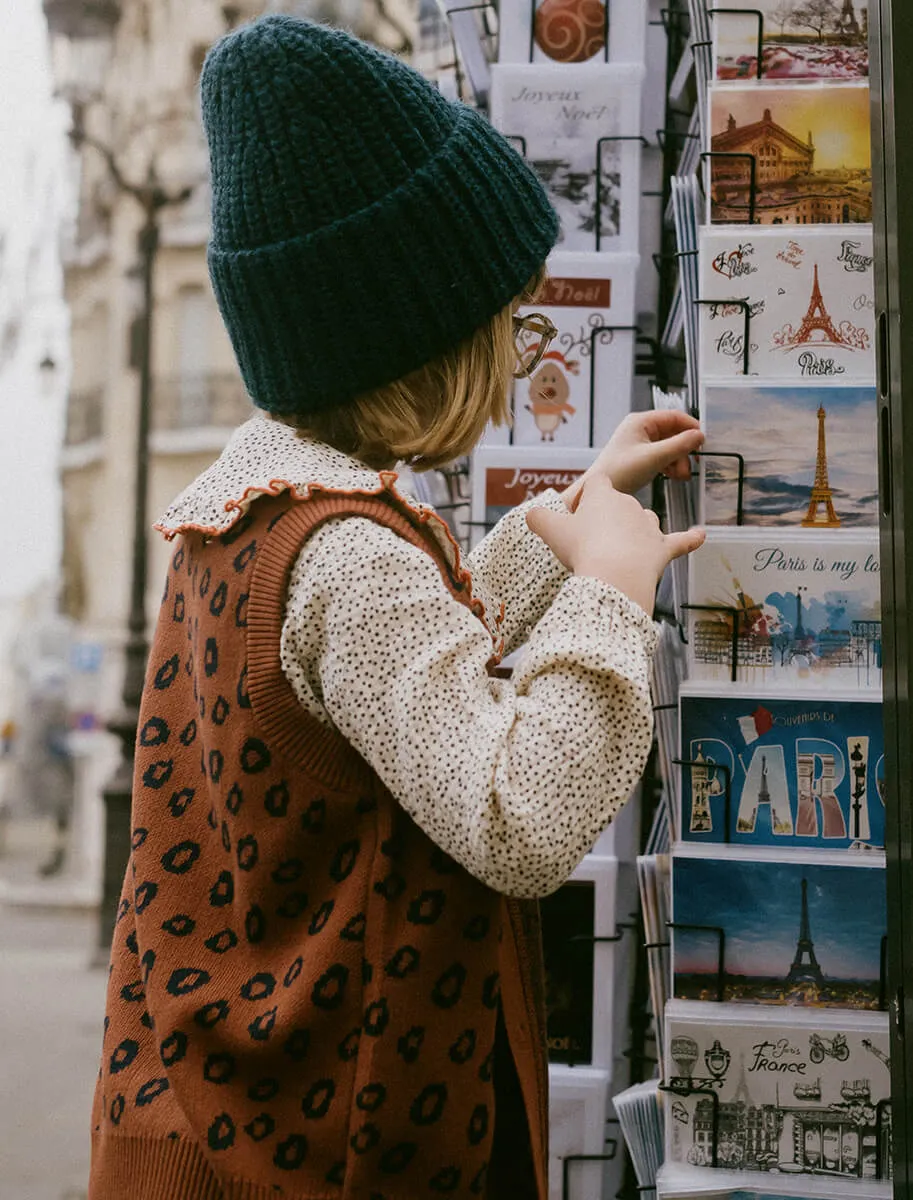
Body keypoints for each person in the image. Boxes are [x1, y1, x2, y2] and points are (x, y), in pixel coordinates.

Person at [87, 14, 704, 1200]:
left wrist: (560, 520)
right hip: (346, 1147)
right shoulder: (355, 561)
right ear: (418, 340)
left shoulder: (253, 521)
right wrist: (611, 595)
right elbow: (518, 820)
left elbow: (394, 693)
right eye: (510, 324)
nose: (527, 355)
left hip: (223, 1119)